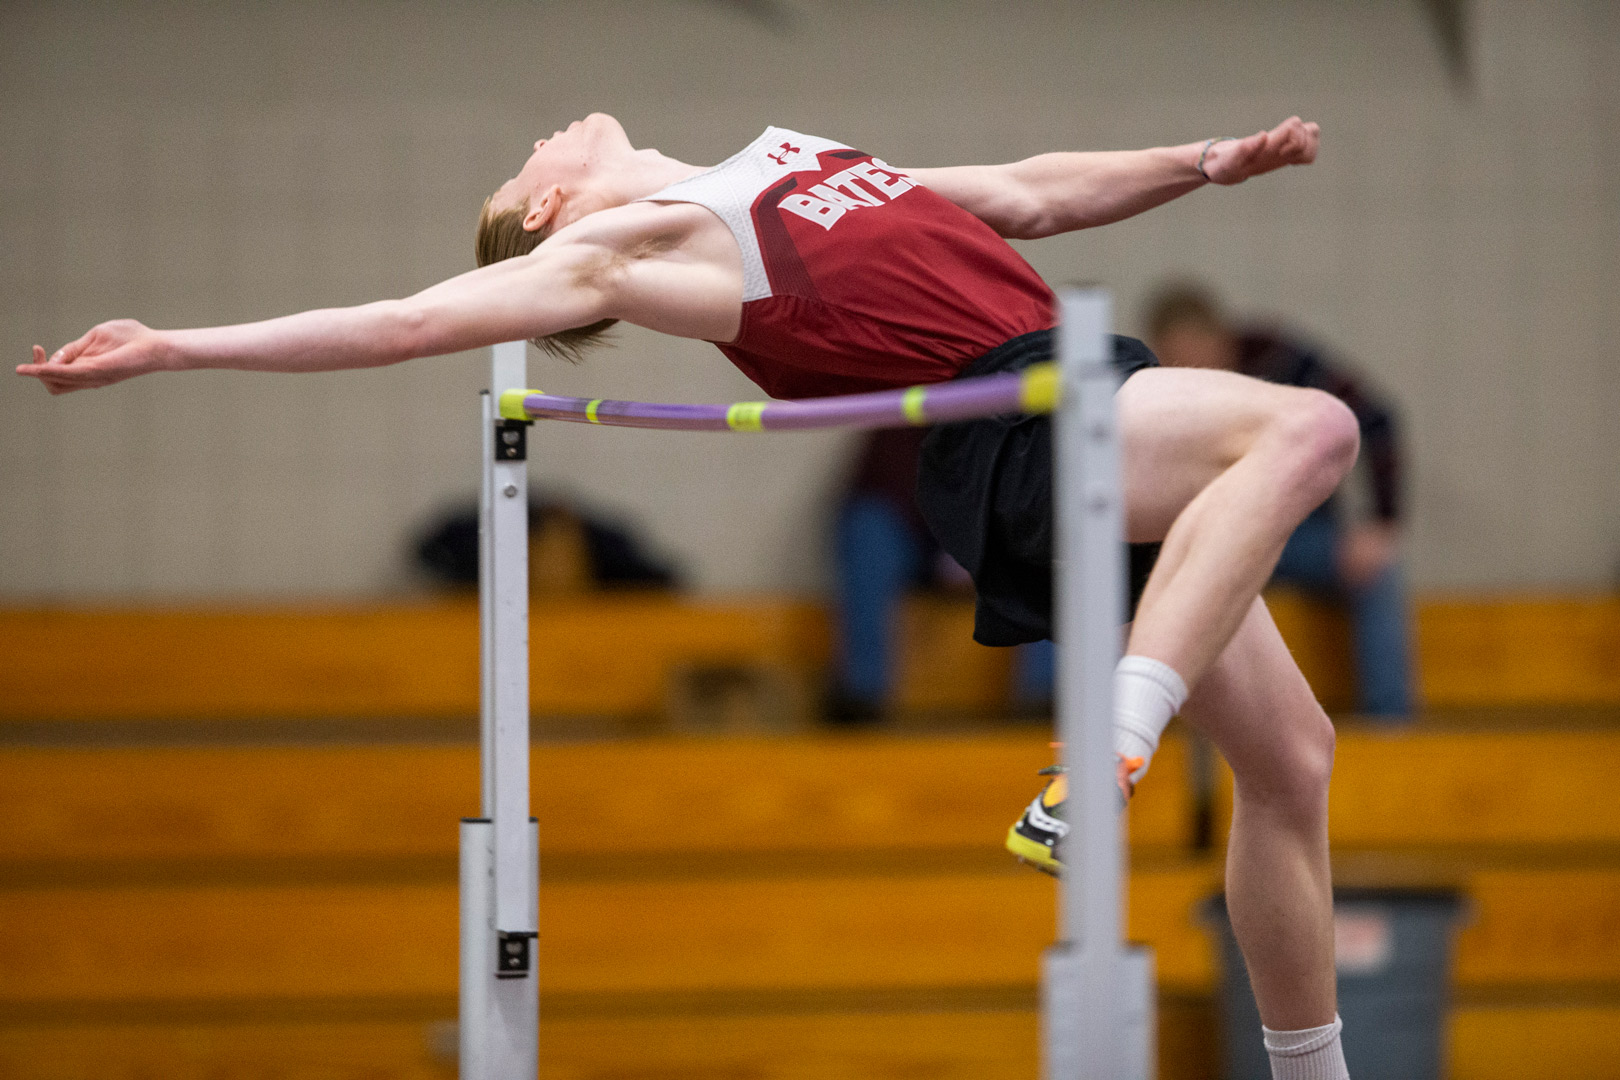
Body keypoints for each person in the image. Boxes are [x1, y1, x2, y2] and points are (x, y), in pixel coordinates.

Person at [21, 113, 1356, 1079]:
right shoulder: (642, 248)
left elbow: (1021, 192)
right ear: (547, 211)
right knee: (1306, 433)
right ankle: (1109, 746)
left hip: (1080, 416)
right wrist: (177, 347)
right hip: (1028, 433)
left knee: (1293, 762)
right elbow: (411, 320)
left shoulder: (785, 164)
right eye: (523, 161)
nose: (539, 135)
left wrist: (1202, 164)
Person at [1145, 283, 1413, 719]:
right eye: (1179, 361)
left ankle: (1391, 726)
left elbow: (1376, 419)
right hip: (1202, 538)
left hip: (1297, 534)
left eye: (1200, 356)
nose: (1193, 370)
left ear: (1224, 339)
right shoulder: (1153, 385)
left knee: (1377, 570)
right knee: (1075, 564)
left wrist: (1382, 524)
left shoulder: (1281, 359)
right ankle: (1041, 717)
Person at [829, 426, 1055, 722]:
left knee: (1052, 536)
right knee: (867, 527)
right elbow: (888, 476)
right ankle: (861, 696)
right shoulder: (911, 397)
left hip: (1003, 532)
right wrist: (950, 543)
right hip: (913, 527)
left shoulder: (1030, 400)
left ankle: (1045, 700)